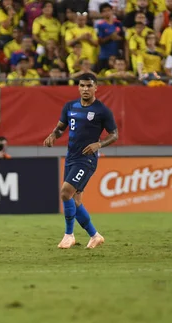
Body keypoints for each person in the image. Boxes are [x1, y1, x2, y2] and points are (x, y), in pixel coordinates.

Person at [43, 73, 118, 249]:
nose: (85, 89)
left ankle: (69, 235)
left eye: (89, 86)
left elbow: (114, 134)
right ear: (78, 87)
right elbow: (61, 128)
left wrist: (99, 144)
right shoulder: (70, 106)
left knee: (65, 193)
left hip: (87, 160)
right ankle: (95, 235)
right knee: (75, 201)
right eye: (82, 86)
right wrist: (53, 135)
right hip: (71, 158)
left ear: (95, 88)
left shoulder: (102, 110)